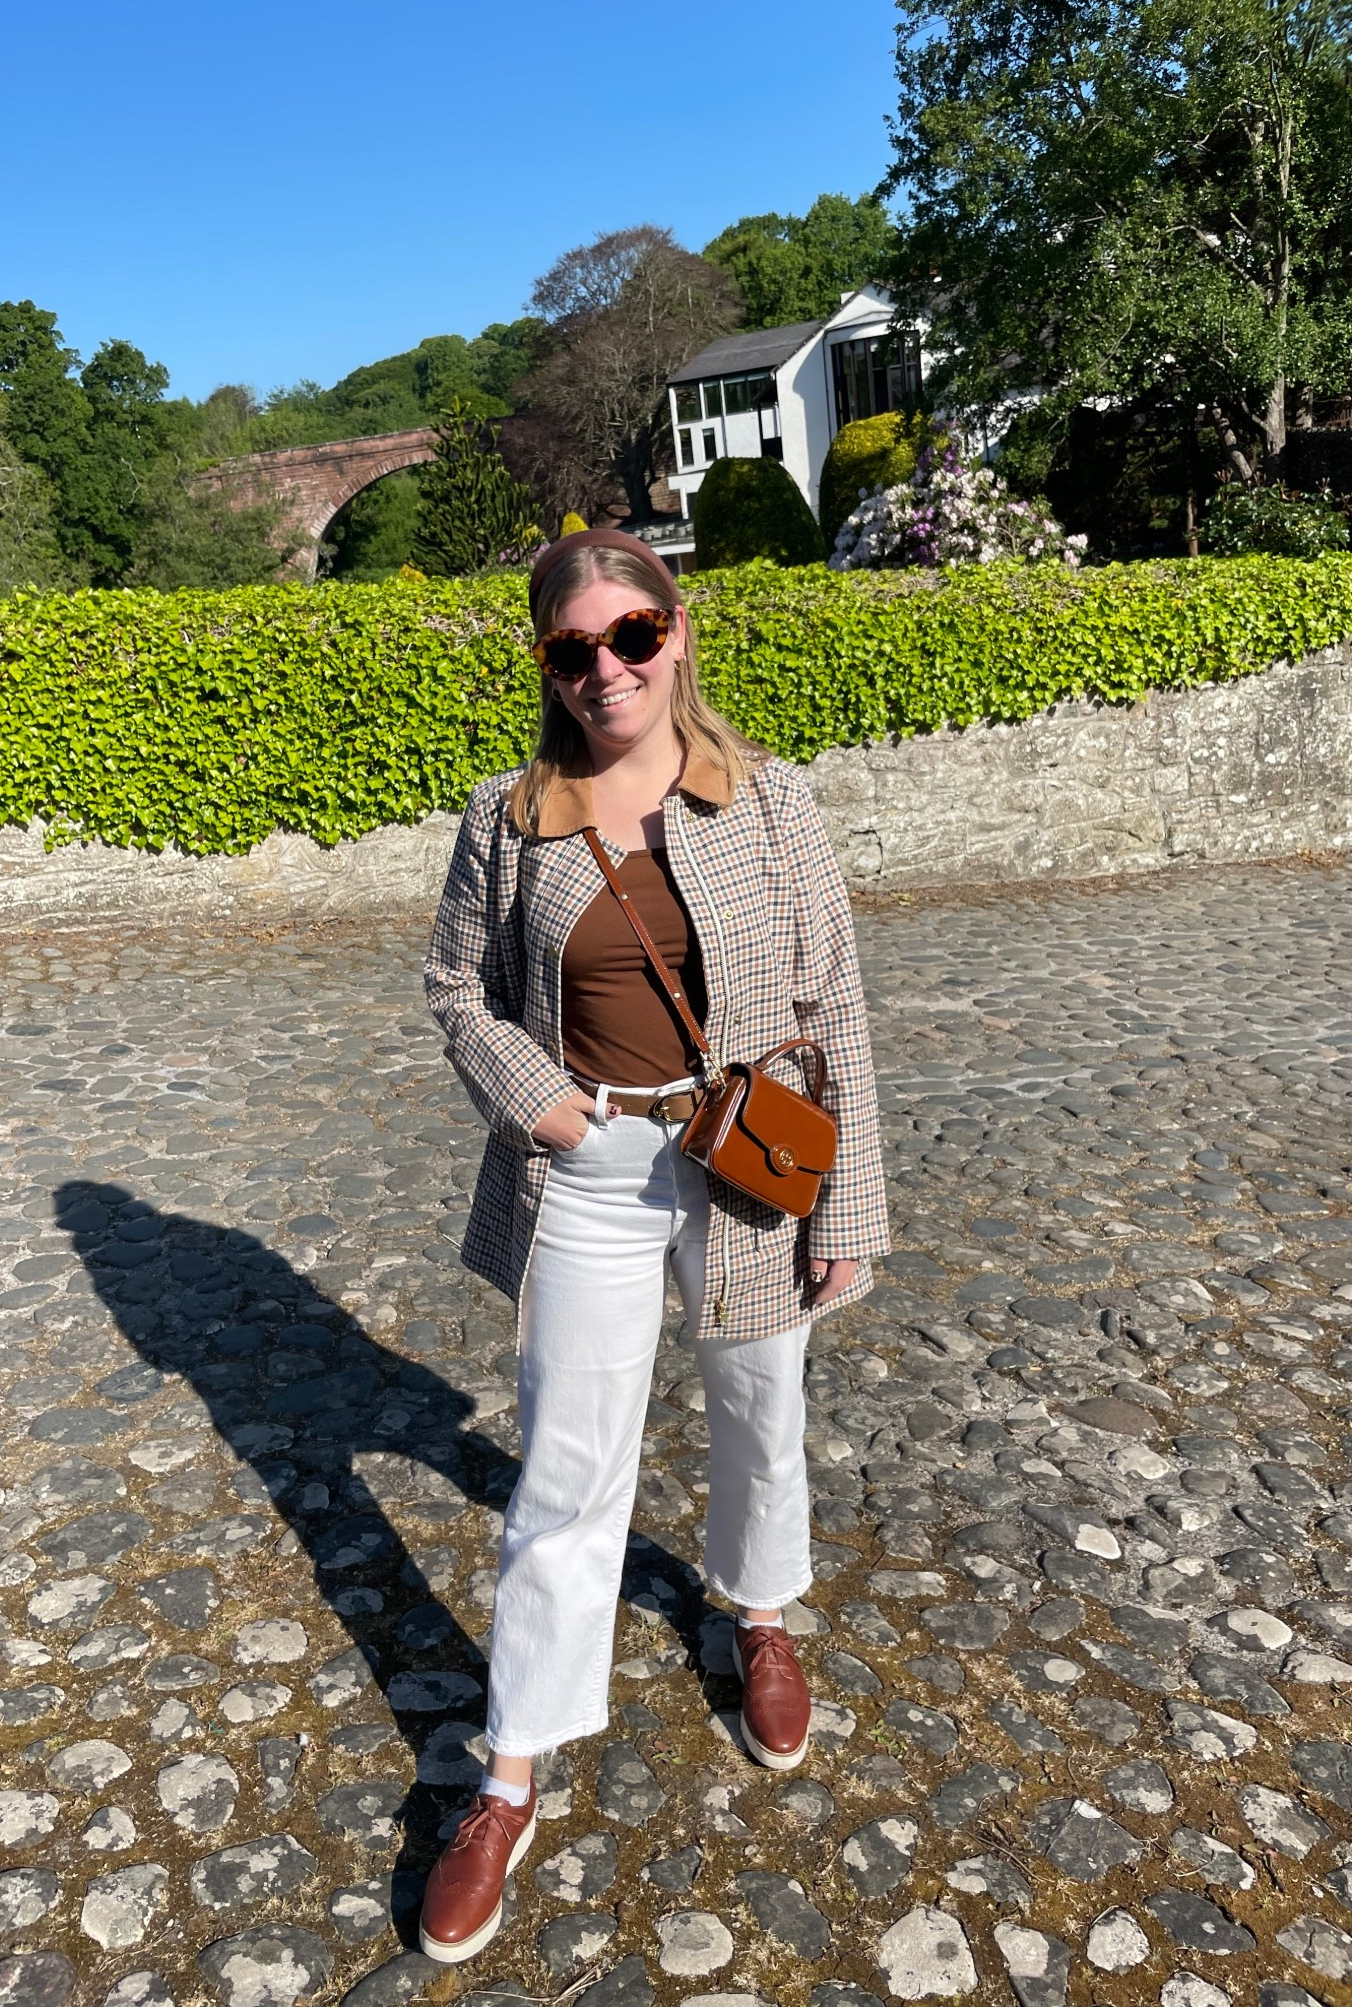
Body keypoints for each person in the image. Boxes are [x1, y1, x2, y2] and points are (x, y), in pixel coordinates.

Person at [418, 527, 889, 1962]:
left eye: (632, 637)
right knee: (567, 1462)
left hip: (751, 1158)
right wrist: (536, 1099)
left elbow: (837, 1002)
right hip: (595, 1170)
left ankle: (759, 1614)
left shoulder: (771, 803)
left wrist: (849, 1206)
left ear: (678, 635)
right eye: (575, 649)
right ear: (548, 667)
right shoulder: (511, 821)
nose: (607, 669)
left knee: (761, 1409)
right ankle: (511, 1770)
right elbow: (453, 985)